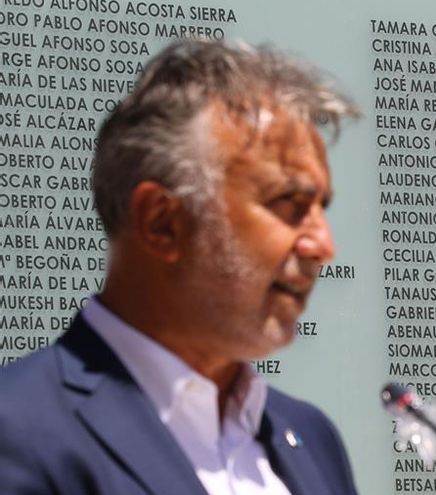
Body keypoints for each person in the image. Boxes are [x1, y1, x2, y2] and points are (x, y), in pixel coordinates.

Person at [0, 39, 360, 495]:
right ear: (163, 223)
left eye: (322, 208)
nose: (322, 246)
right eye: (289, 204)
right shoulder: (18, 433)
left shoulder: (311, 439)